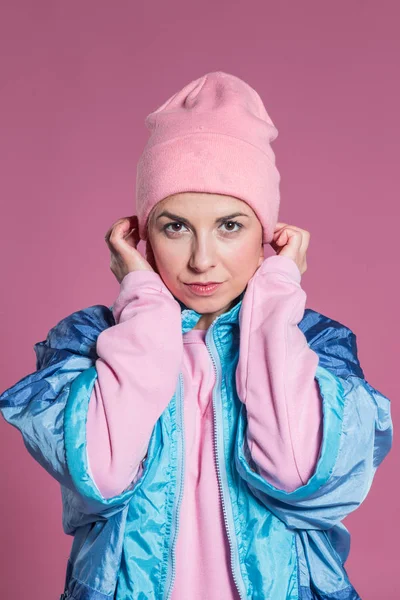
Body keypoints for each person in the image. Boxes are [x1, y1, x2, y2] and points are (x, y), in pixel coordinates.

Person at [0, 71, 393, 600]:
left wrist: (275, 300)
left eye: (230, 225)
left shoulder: (318, 346)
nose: (201, 259)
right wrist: (143, 302)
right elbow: (103, 475)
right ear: (142, 237)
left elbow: (297, 471)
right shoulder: (88, 344)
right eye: (175, 226)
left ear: (267, 234)